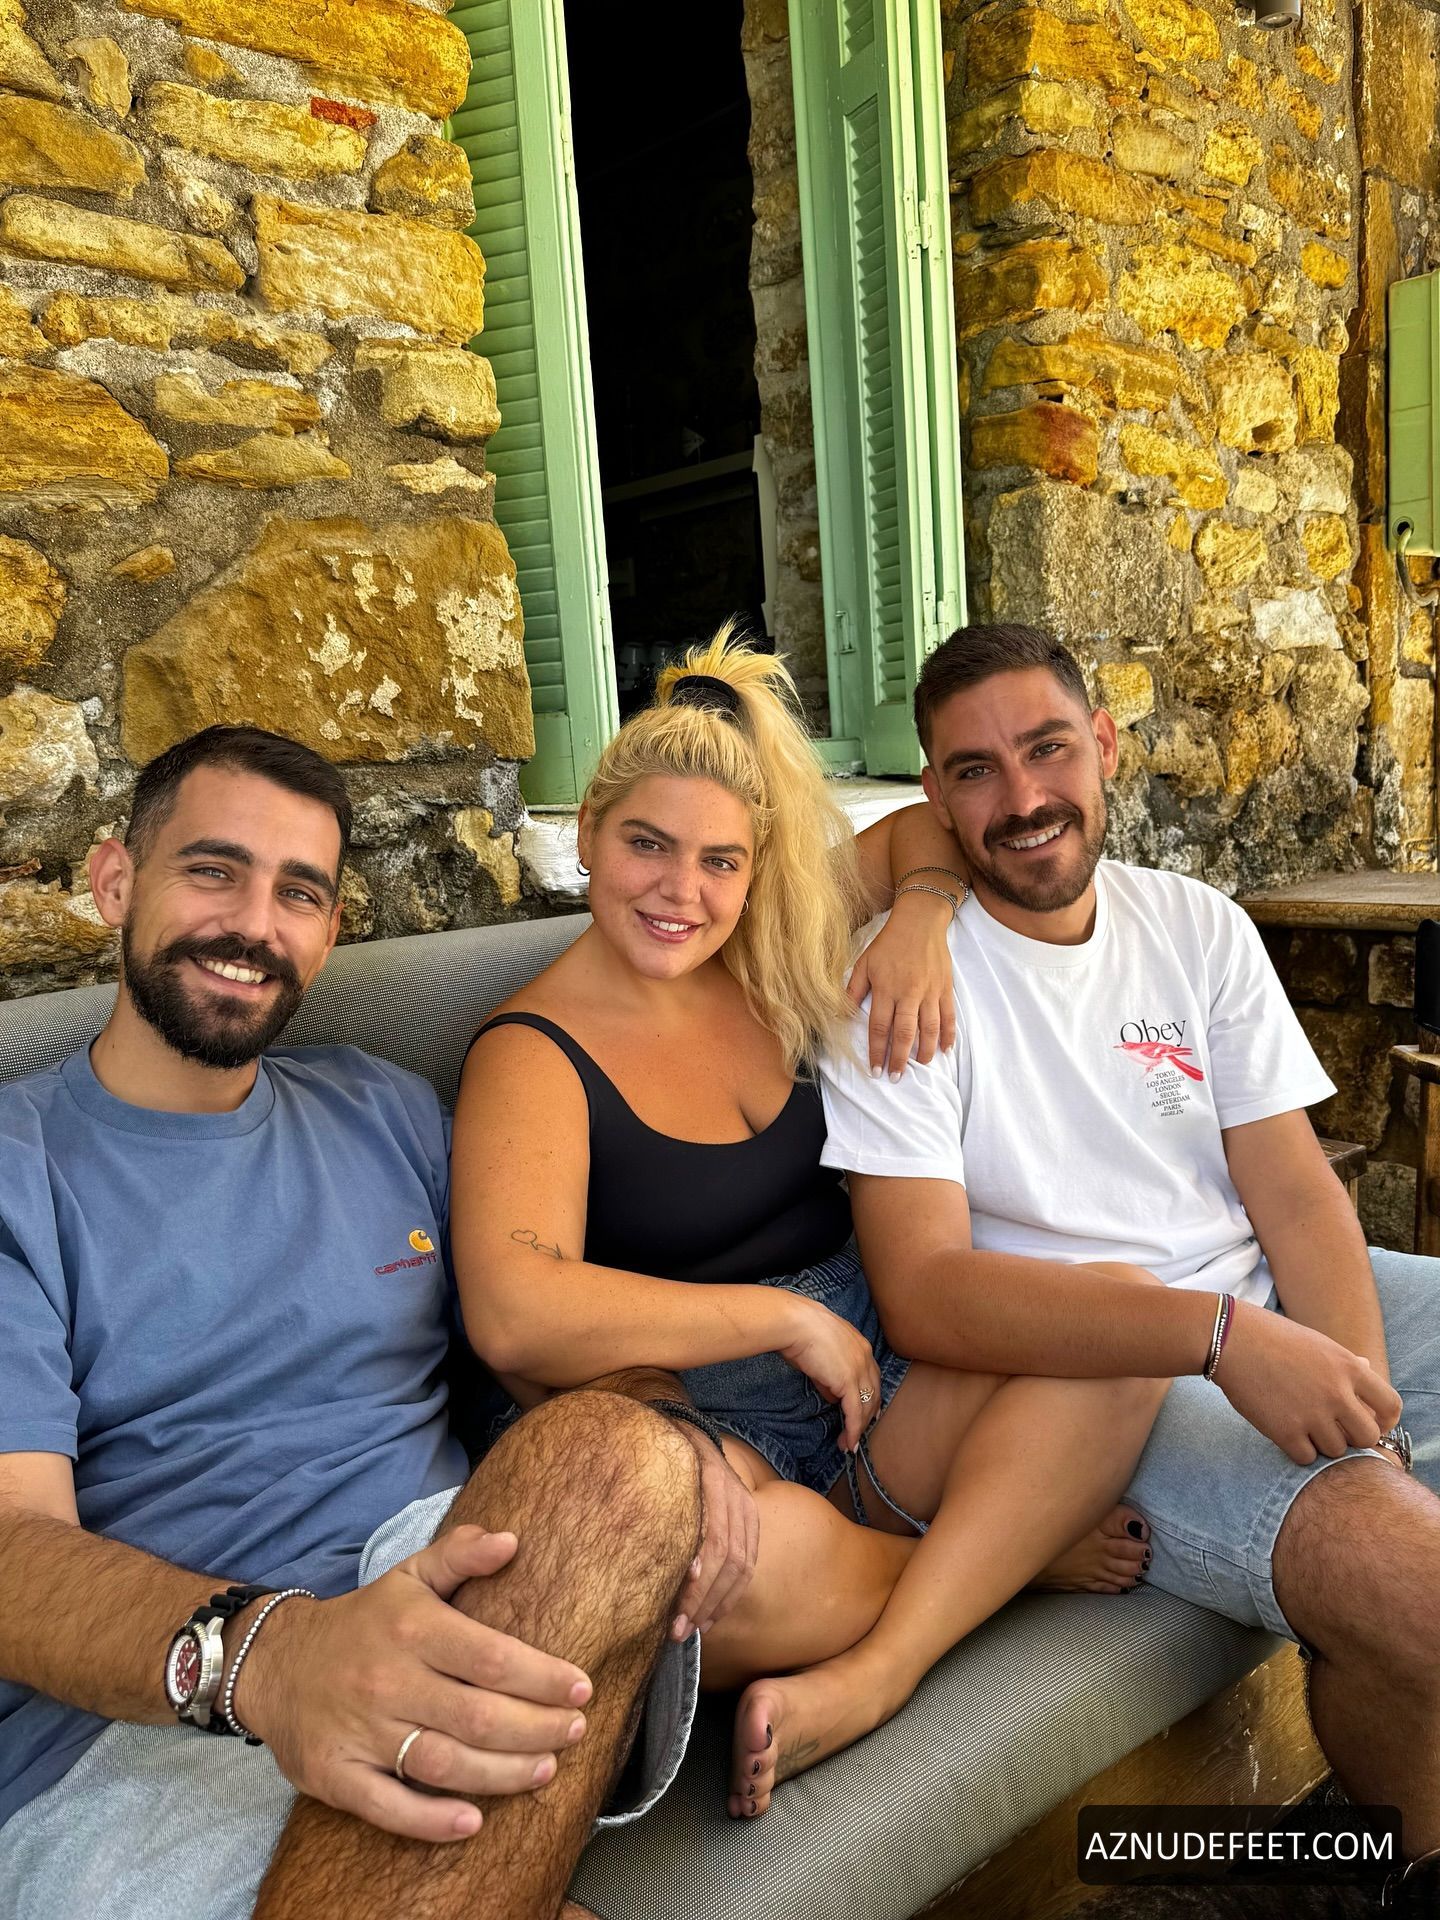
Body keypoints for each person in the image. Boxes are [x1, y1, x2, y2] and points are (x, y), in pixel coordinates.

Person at [453, 633, 1176, 1821]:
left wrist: (921, 916)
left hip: (870, 1381)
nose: (681, 892)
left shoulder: (760, 960)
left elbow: (926, 829)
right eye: (646, 845)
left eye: (719, 861)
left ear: (755, 870)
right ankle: (999, 1561)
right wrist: (779, 1319)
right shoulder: (531, 1051)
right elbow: (515, 1311)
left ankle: (889, 1639)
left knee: (1124, 1332)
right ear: (586, 835)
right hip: (682, 1412)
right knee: (697, 1584)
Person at [0, 725, 706, 1920]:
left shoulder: (385, 1111)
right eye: (213, 871)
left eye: (299, 893)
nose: (253, 926)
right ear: (115, 882)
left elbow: (539, 1341)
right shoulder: (19, 1170)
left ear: (329, 932)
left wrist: (674, 1433)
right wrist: (277, 1659)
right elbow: (12, 1554)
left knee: (622, 1455)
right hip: (154, 1717)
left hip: (449, 1589)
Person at [818, 621, 1440, 1903]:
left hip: (1257, 1307)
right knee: (1410, 1583)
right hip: (1100, 1383)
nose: (1023, 798)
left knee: (1389, 1549)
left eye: (1049, 748)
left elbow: (1294, 1194)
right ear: (934, 795)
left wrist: (1362, 1418)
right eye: (975, 771)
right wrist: (1230, 1344)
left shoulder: (1192, 924)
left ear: (1104, 745)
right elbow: (924, 1295)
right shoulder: (902, 985)